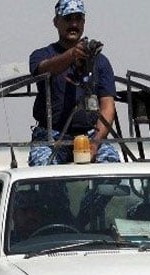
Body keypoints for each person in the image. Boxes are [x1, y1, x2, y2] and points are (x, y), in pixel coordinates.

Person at [28, 0, 120, 165]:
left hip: (90, 136)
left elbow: (107, 106)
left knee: (111, 167)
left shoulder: (100, 61)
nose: (74, 24)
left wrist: (95, 143)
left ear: (84, 22)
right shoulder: (41, 55)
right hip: (51, 137)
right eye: (68, 19)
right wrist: (71, 55)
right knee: (43, 170)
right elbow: (43, 69)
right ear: (56, 22)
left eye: (78, 19)